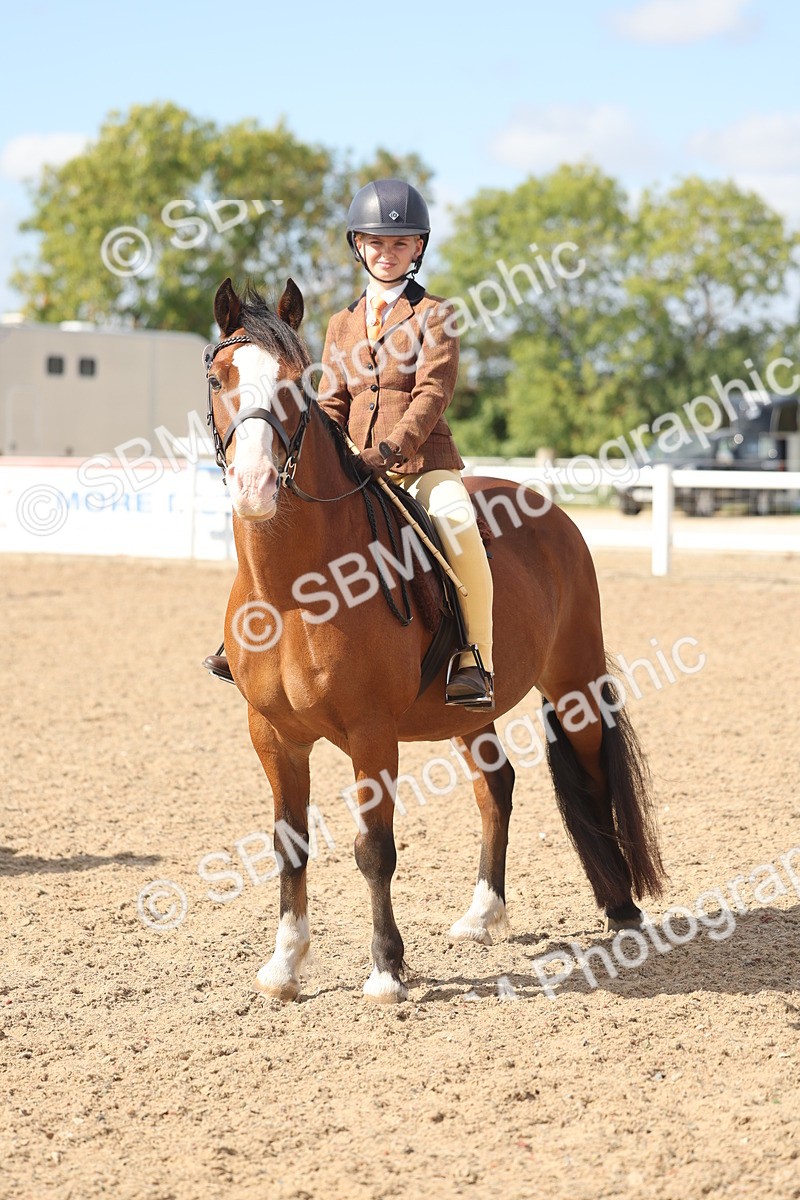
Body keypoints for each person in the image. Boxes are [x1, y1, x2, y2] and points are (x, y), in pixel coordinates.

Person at [204, 178, 494, 709]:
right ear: (359, 247)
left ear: (419, 248)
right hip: (354, 464)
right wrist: (326, 449)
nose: (388, 253)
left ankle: (474, 656)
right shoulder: (342, 323)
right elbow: (331, 399)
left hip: (422, 463)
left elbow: (434, 391)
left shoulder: (436, 314)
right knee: (279, 521)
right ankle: (244, 638)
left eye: (400, 243)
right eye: (377, 243)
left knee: (458, 526)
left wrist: (394, 449)